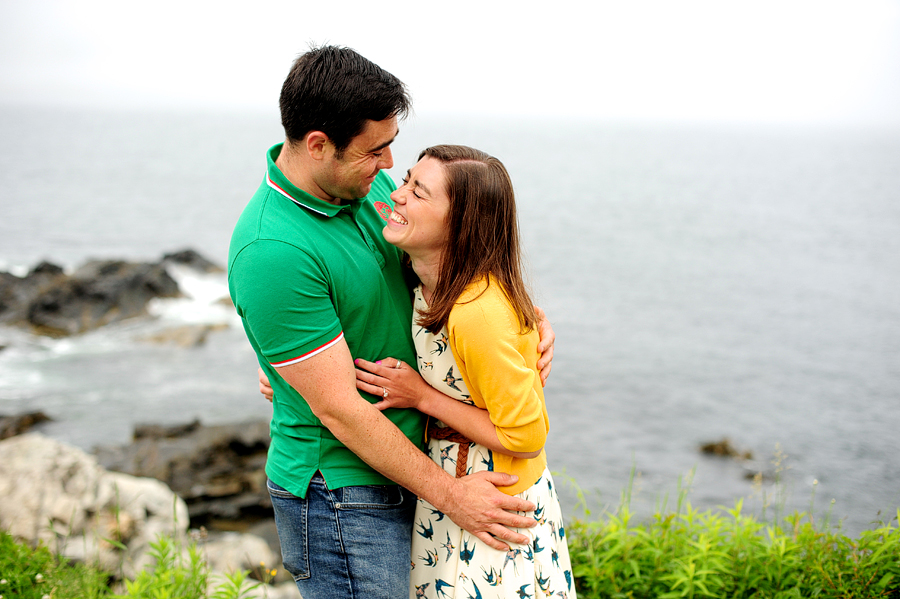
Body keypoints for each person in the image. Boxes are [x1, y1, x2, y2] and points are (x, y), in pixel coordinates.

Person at [228, 46, 555, 599]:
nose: (387, 168)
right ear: (317, 145)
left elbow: (448, 258)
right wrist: (454, 496)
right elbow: (339, 408)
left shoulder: (365, 185)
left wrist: (526, 317)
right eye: (375, 150)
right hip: (342, 492)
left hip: (413, 463)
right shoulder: (271, 249)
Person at [354, 145, 575, 598]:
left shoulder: (476, 311)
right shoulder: (422, 278)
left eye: (420, 192)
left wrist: (421, 396)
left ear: (460, 225)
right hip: (456, 492)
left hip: (493, 504)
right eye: (406, 182)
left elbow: (526, 435)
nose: (398, 197)